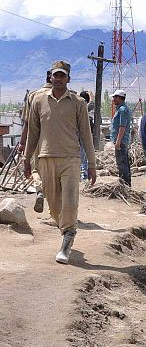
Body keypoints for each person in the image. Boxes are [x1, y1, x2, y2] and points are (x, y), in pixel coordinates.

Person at [23, 60, 96, 264]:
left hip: (71, 159)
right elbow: (33, 133)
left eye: (62, 75)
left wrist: (91, 164)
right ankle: (65, 229)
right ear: (50, 77)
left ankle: (68, 237)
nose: (58, 79)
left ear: (68, 79)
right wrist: (27, 159)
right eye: (55, 75)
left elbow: (86, 136)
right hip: (45, 158)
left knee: (70, 202)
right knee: (55, 208)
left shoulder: (78, 103)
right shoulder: (38, 100)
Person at [18, 69, 54, 213]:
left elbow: (27, 123)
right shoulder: (65, 95)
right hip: (58, 141)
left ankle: (40, 191)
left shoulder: (33, 95)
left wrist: (22, 142)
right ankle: (55, 209)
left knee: (36, 169)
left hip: (37, 140)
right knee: (56, 172)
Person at [110, 89, 131, 186]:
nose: (113, 99)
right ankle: (126, 184)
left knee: (122, 164)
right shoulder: (120, 109)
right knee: (123, 164)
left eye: (114, 97)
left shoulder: (122, 110)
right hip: (121, 141)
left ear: (119, 98)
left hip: (121, 142)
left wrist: (118, 141)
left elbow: (122, 127)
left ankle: (125, 185)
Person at [78, 91, 92, 180]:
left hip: (77, 135)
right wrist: (91, 95)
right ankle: (84, 174)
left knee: (81, 154)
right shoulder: (84, 106)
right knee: (84, 155)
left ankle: (81, 174)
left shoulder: (77, 106)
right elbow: (92, 104)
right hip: (83, 135)